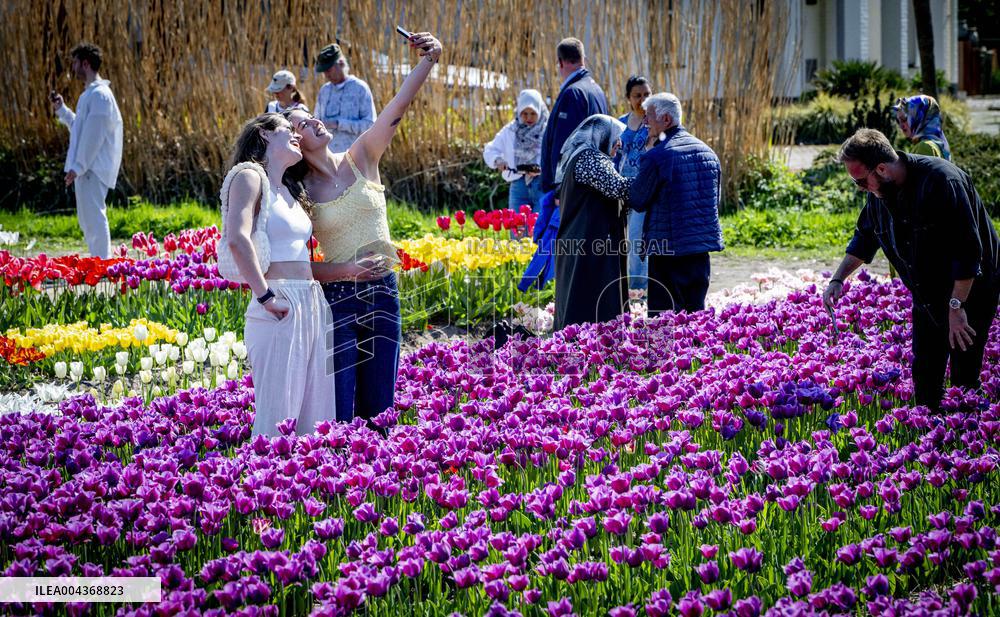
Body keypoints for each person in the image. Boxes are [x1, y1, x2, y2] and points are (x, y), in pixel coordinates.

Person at [286, 31, 443, 425]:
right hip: (338, 300)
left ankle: (379, 465)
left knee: (380, 408)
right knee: (339, 411)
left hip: (383, 293)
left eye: (310, 115)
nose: (315, 120)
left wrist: (429, 59)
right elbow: (294, 265)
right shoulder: (299, 194)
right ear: (294, 143)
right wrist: (348, 270)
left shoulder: (361, 156)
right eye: (303, 124)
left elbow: (398, 106)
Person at [823, 128, 998, 410]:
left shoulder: (942, 181)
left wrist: (956, 306)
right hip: (927, 293)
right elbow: (865, 238)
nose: (861, 188)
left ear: (882, 168)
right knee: (926, 379)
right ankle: (933, 427)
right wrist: (837, 279)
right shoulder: (880, 194)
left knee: (964, 378)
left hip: (970, 293)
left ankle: (968, 431)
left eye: (861, 181)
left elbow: (968, 253)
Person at [221, 113, 335, 437]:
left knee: (316, 413)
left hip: (311, 301)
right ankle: (267, 470)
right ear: (265, 134)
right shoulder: (249, 176)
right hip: (278, 300)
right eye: (288, 129)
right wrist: (266, 297)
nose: (297, 135)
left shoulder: (288, 189)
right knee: (278, 415)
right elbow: (237, 238)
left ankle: (310, 471)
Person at [627, 93, 723, 315]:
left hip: (667, 251)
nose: (645, 121)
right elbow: (713, 202)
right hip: (700, 251)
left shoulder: (657, 156)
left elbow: (637, 200)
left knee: (665, 321)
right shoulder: (709, 153)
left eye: (649, 116)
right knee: (696, 318)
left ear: (666, 119)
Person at [552, 114, 630, 331]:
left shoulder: (580, 156)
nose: (619, 144)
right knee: (591, 301)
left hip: (583, 239)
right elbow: (619, 188)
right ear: (601, 135)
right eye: (615, 137)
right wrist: (651, 181)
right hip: (589, 242)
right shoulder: (589, 158)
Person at [50, 43, 123, 259]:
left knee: (94, 218)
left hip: (93, 168)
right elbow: (81, 129)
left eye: (75, 63)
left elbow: (93, 137)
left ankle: (103, 265)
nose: (72, 68)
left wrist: (78, 167)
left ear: (85, 64)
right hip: (87, 168)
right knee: (88, 220)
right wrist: (62, 110)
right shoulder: (89, 95)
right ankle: (98, 262)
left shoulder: (100, 95)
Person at [539, 37, 609, 193]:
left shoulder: (573, 93)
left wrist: (559, 188)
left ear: (560, 62)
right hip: (591, 182)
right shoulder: (596, 89)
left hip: (572, 188)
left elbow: (566, 143)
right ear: (583, 59)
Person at [483, 89, 549, 214]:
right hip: (518, 185)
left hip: (541, 185)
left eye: (533, 113)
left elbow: (558, 157)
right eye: (525, 113)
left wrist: (542, 170)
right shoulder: (510, 130)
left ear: (540, 111)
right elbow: (490, 149)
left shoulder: (548, 131)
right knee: (516, 223)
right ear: (519, 112)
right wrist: (498, 160)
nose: (529, 117)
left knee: (538, 224)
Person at [617, 75, 652, 294]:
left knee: (637, 237)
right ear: (628, 98)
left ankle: (639, 288)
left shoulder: (656, 122)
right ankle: (623, 285)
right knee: (622, 239)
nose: (643, 99)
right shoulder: (620, 123)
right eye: (637, 95)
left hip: (644, 189)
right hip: (620, 188)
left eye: (647, 94)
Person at [314, 44, 377, 153]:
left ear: (341, 63)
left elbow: (369, 125)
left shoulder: (359, 88)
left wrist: (339, 124)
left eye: (328, 69)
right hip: (328, 157)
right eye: (324, 71)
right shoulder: (324, 91)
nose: (326, 74)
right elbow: (316, 121)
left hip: (354, 155)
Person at [893, 95, 951, 160]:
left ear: (919, 117)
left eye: (904, 119)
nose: (901, 126)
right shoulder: (939, 144)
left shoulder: (925, 146)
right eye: (898, 121)